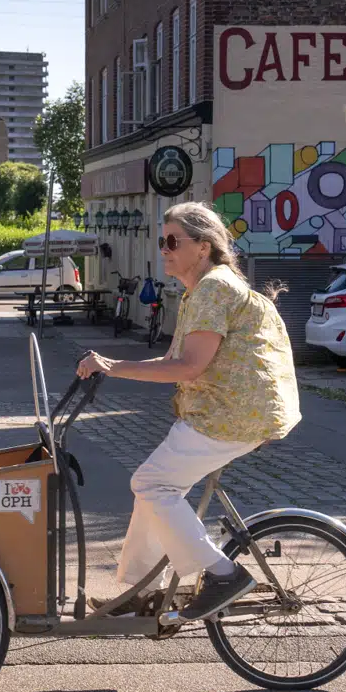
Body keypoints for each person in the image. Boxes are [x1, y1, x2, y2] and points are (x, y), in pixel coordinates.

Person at [76, 202, 301, 620]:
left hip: (229, 415)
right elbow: (172, 363)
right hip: (228, 412)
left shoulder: (213, 288)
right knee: (154, 489)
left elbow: (188, 367)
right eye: (162, 241)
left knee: (151, 483)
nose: (164, 249)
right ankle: (144, 592)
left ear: (203, 246)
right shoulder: (202, 291)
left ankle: (223, 574)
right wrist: (112, 366)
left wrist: (113, 366)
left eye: (172, 241)